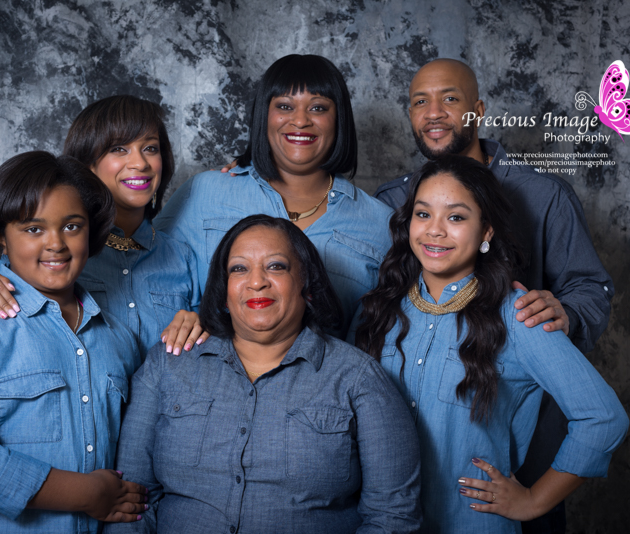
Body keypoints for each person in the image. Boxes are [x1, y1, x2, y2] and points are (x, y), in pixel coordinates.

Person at [373, 59, 615, 531]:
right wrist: (252, 167)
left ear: (478, 110)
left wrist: (561, 313)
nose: (434, 112)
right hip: (397, 497)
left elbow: (590, 289)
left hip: (518, 444)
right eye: (420, 101)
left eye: (450, 98)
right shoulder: (391, 200)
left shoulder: (543, 195)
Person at [104, 215, 422, 534]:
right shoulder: (167, 364)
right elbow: (132, 503)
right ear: (224, 291)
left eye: (276, 266)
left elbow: (392, 517)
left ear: (307, 284)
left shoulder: (359, 378)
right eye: (239, 268)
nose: (256, 282)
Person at [0, 152, 147, 532]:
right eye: (33, 229)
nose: (56, 244)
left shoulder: (117, 338)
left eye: (72, 226)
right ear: (1, 237)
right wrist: (89, 493)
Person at [156, 55, 393, 338]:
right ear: (263, 116)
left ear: (339, 119)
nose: (300, 120)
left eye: (318, 108)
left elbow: (379, 336)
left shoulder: (381, 224)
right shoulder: (204, 193)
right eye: (284, 106)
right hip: (206, 364)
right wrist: (184, 318)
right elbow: (147, 276)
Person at [0, 95, 204, 357]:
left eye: (150, 148)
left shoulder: (181, 257)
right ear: (86, 165)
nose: (140, 163)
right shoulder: (62, 254)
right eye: (119, 149)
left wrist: (199, 325)